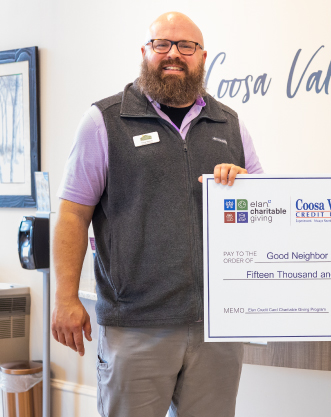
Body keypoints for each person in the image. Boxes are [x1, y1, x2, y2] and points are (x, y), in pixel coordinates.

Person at [51, 12, 263, 417]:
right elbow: (73, 214)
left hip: (217, 327)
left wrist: (247, 189)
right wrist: (64, 297)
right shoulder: (104, 121)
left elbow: (266, 214)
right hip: (135, 325)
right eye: (162, 45)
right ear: (144, 53)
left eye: (186, 46)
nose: (173, 55)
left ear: (202, 57)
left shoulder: (230, 125)